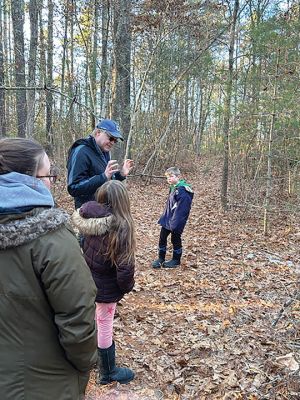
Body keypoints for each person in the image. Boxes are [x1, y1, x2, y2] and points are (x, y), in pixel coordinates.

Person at [0, 138, 98, 400]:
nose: (52, 181)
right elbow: (78, 313)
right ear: (28, 179)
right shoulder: (50, 237)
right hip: (42, 383)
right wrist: (86, 362)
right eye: (49, 174)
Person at [72, 180, 135, 385]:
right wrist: (126, 288)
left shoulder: (89, 218)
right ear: (123, 202)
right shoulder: (121, 228)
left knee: (89, 318)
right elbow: (125, 270)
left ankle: (87, 357)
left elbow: (83, 245)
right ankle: (107, 372)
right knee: (104, 324)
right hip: (106, 288)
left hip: (87, 280)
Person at [67, 118, 134, 209]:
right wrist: (104, 176)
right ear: (98, 133)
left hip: (106, 210)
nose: (112, 142)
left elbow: (107, 180)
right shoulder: (81, 151)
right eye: (110, 138)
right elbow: (74, 188)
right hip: (88, 215)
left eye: (115, 140)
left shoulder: (104, 152)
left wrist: (121, 174)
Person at [152, 167, 194, 269]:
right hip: (168, 218)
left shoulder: (183, 191)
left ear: (178, 176)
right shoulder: (173, 188)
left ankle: (176, 260)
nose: (169, 179)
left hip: (176, 221)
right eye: (167, 177)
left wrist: (175, 224)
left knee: (175, 239)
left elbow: (182, 210)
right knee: (162, 237)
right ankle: (161, 258)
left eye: (171, 176)